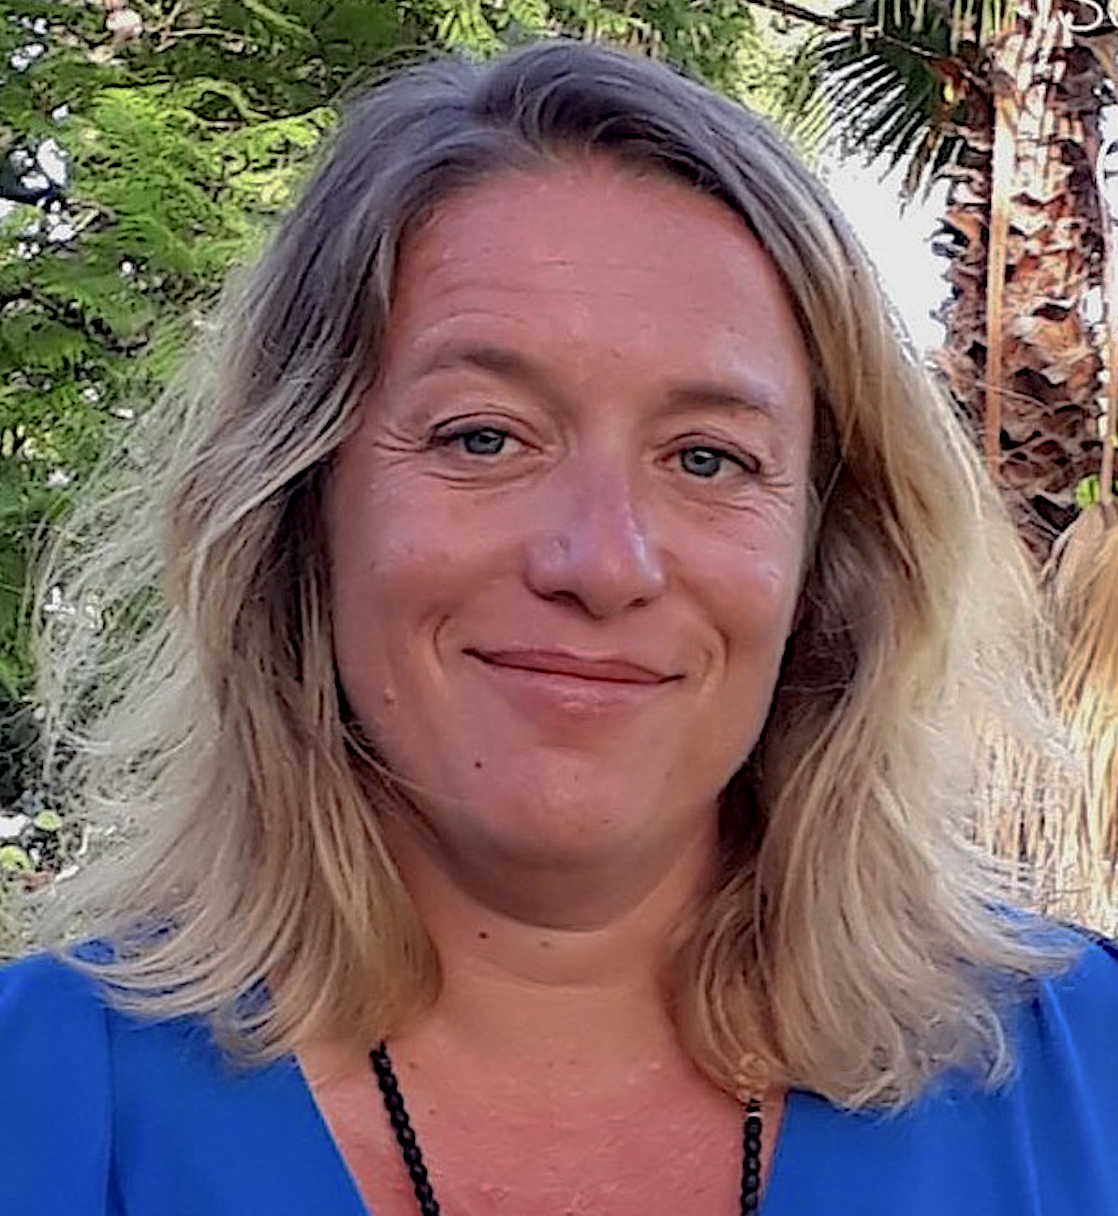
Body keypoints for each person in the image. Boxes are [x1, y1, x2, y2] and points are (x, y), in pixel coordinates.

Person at [1, 38, 1115, 1216]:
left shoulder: (1087, 1080)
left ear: (826, 557)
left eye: (706, 457)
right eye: (481, 436)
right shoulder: (38, 1099)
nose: (602, 561)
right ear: (299, 506)